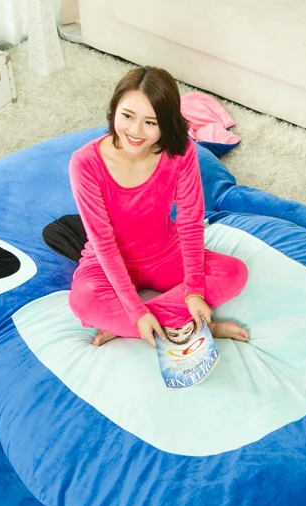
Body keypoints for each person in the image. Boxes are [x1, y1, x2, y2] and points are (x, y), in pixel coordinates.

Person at [68, 65, 249, 347]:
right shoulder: (85, 163)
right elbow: (102, 241)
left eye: (151, 122)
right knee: (84, 301)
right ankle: (193, 326)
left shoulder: (181, 152)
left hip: (165, 253)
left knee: (233, 272)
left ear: (166, 123)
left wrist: (194, 293)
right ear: (114, 109)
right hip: (108, 260)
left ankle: (131, 326)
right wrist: (136, 311)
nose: (135, 131)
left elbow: (190, 222)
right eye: (127, 116)